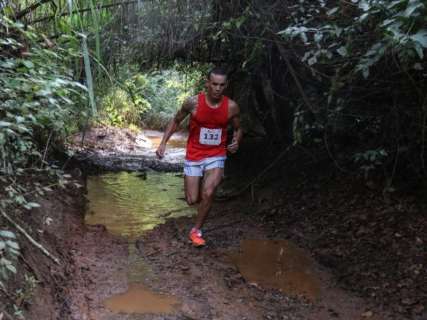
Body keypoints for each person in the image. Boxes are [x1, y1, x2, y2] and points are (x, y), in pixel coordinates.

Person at [156, 67, 242, 247]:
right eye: (214, 84)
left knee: (209, 192)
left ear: (226, 86)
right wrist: (163, 142)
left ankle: (196, 230)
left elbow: (238, 128)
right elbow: (176, 120)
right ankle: (199, 186)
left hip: (216, 154)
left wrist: (236, 141)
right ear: (207, 84)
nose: (218, 88)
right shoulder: (193, 103)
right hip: (194, 154)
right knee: (192, 200)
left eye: (221, 85)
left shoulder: (231, 107)